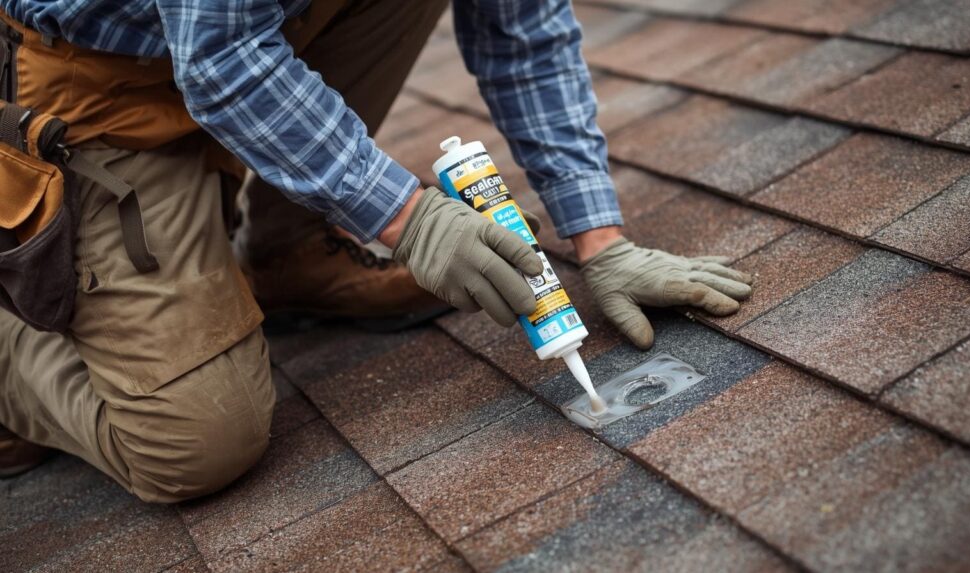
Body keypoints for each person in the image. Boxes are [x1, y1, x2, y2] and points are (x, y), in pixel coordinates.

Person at [0, 0, 752, 502]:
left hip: (249, 39)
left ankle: (290, 254)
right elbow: (223, 61)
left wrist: (600, 236)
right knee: (196, 442)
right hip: (93, 93)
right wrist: (406, 218)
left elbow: (521, 24)